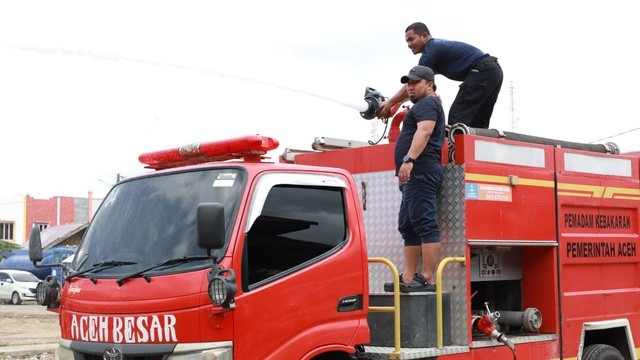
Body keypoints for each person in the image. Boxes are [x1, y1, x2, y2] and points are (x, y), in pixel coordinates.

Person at [384, 65, 445, 293]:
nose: (410, 87)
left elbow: (425, 132)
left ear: (429, 85)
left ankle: (428, 277)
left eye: (415, 83)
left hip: (420, 171)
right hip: (412, 175)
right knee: (408, 225)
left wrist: (409, 159)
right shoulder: (422, 104)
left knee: (424, 222)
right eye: (408, 83)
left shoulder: (429, 103)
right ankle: (408, 276)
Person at [379, 22, 503, 129]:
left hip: (482, 70)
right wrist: (398, 102)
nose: (409, 44)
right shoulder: (436, 51)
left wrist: (389, 103)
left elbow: (415, 82)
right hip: (494, 71)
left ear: (424, 36)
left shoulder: (430, 50)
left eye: (411, 39)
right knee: (478, 121)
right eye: (407, 41)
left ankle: (453, 154)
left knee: (457, 116)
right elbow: (416, 88)